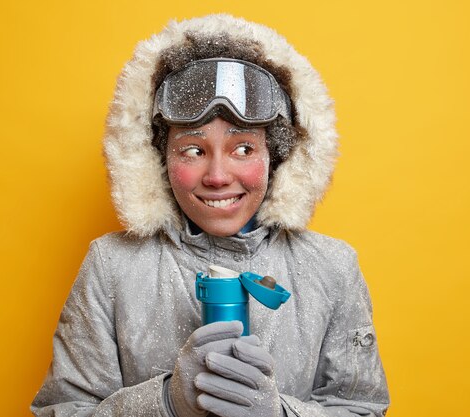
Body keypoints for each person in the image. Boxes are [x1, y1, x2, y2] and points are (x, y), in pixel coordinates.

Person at [31, 14, 389, 417]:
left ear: (278, 157)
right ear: (158, 160)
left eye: (243, 149)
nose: (218, 177)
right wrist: (165, 402)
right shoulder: (110, 265)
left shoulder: (333, 268)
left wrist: (280, 413)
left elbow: (363, 409)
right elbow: (60, 411)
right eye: (194, 150)